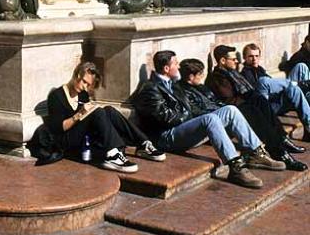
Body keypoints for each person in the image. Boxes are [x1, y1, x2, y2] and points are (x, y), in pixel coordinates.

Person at [131, 50, 283, 189]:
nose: (178, 67)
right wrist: (188, 114)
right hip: (166, 137)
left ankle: (256, 153)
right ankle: (235, 167)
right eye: (176, 64)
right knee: (209, 119)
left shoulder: (174, 85)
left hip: (183, 128)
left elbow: (188, 108)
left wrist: (189, 113)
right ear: (166, 68)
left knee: (230, 110)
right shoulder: (151, 88)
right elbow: (166, 117)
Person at [46, 61, 166, 173]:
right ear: (76, 75)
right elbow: (58, 128)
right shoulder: (57, 96)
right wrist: (79, 114)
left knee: (108, 110)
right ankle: (113, 154)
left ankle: (143, 144)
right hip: (66, 142)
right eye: (84, 82)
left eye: (88, 85)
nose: (85, 87)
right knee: (98, 113)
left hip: (84, 138)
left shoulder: (82, 94)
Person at [209, 44, 309, 166]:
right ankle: (279, 153)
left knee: (261, 100)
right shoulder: (217, 77)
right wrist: (250, 99)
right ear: (223, 61)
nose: (236, 61)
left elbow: (246, 92)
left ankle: (282, 139)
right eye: (233, 59)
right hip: (234, 112)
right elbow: (229, 99)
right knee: (256, 112)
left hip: (243, 105)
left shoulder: (232, 73)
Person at [176, 58, 291, 165]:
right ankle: (278, 152)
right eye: (200, 74)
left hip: (220, 113)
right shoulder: (183, 92)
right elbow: (198, 113)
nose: (202, 77)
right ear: (191, 77)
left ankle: (281, 141)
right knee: (249, 112)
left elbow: (215, 102)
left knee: (257, 102)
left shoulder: (201, 87)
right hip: (210, 125)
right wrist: (224, 110)